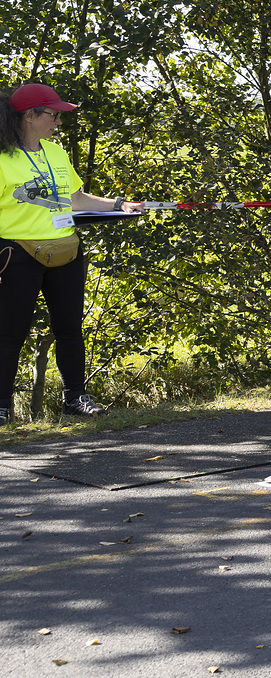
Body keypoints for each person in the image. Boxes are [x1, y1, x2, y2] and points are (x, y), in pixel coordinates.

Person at [0, 83, 145, 424]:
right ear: (30, 116)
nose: (58, 122)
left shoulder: (55, 152)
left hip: (65, 250)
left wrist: (119, 204)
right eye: (53, 115)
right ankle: (2, 406)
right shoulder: (3, 157)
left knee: (70, 328)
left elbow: (75, 199)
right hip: (16, 253)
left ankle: (75, 399)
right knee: (9, 333)